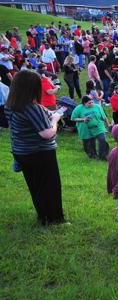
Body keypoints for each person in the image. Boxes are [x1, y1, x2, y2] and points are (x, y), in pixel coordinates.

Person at [6, 70, 66, 225]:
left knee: (36, 187)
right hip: (39, 153)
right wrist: (55, 120)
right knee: (50, 186)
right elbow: (47, 134)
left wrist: (49, 113)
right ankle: (55, 219)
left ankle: (43, 217)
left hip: (22, 152)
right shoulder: (32, 108)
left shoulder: (10, 105)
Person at [70, 95, 109, 160]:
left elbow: (104, 117)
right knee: (89, 144)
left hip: (98, 126)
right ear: (84, 103)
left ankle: (103, 156)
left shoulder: (97, 107)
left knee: (103, 140)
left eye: (92, 102)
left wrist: (108, 125)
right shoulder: (78, 108)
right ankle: (93, 156)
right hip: (85, 128)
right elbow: (73, 118)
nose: (91, 104)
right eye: (89, 103)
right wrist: (83, 119)